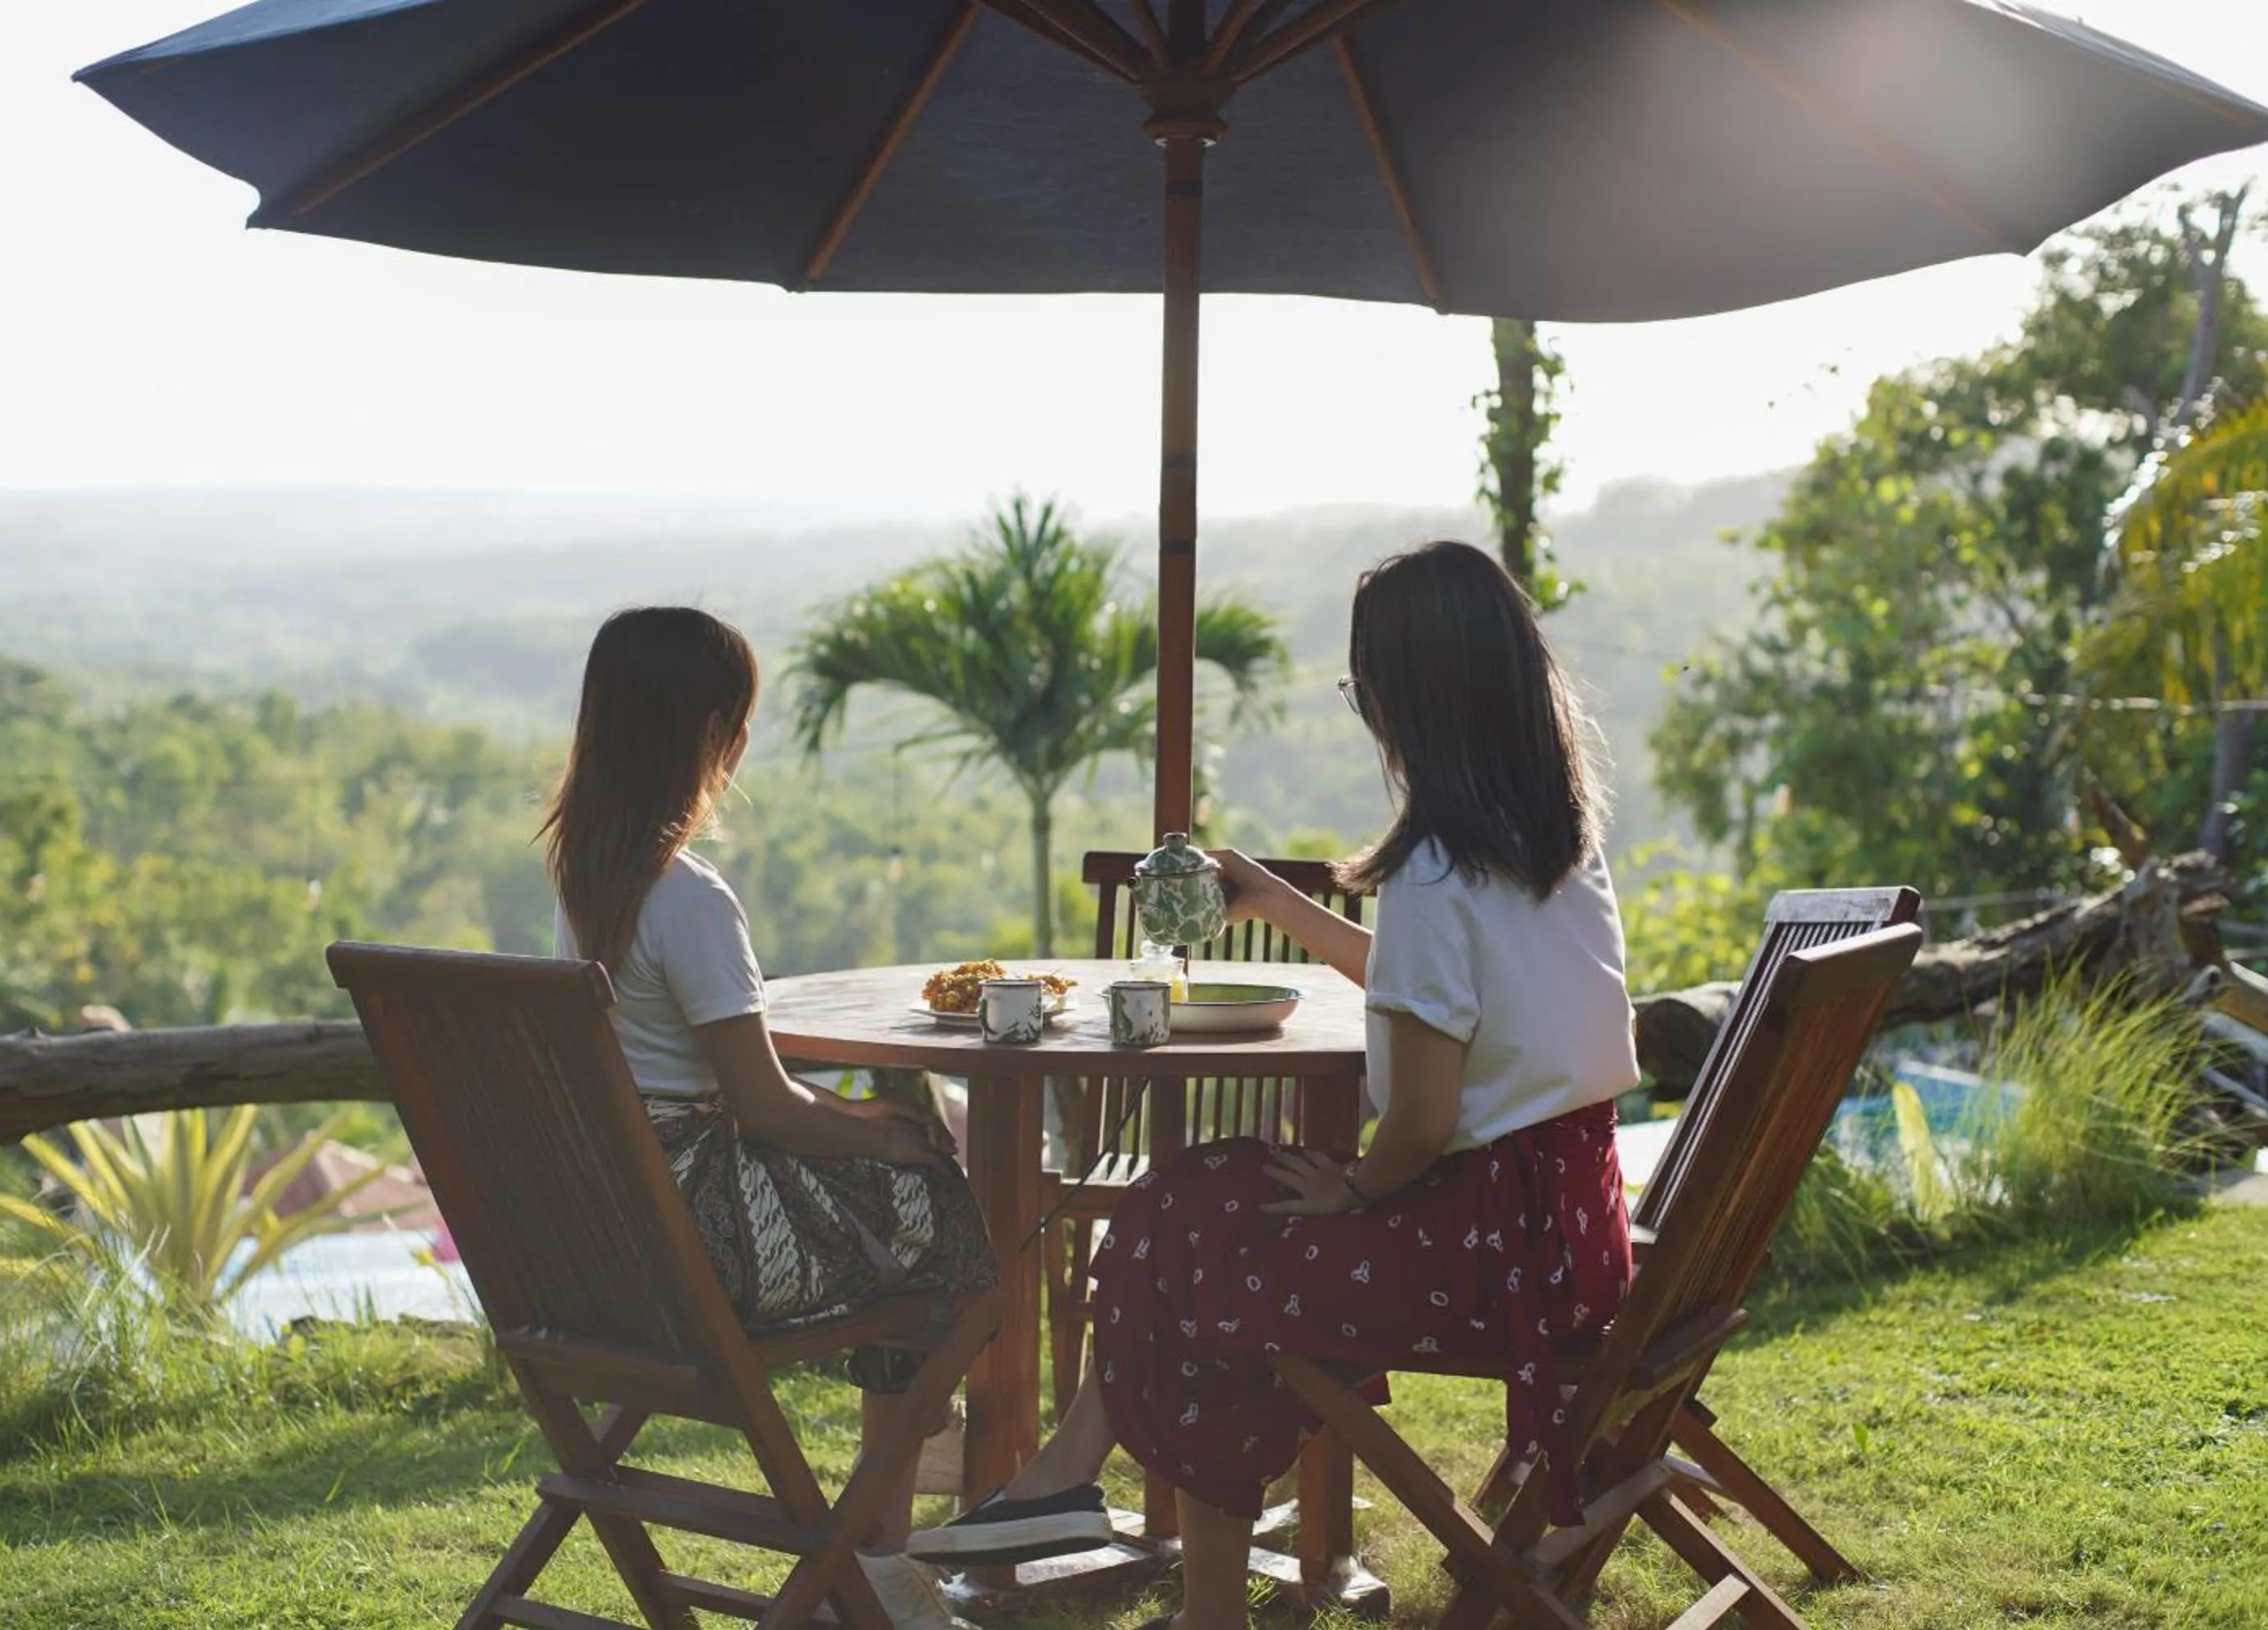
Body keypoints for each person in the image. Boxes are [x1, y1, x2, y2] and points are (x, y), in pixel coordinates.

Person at [908, 541, 1641, 1630]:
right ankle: (1079, 1495)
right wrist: (1278, 903)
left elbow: (1426, 1116)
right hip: (1567, 1230)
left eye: (1363, 690)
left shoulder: (1437, 871)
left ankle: (1116, 1529)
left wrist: (1354, 1188)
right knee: (1192, 1200)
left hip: (1490, 1252)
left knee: (1193, 1249)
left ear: (1407, 700)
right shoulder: (1551, 841)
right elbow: (1425, 987)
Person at [541, 606, 995, 1630]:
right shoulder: (690, 897)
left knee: (910, 1202)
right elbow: (762, 1106)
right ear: (713, 740)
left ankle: (891, 1519)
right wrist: (887, 1131)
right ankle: (876, 1553)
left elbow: (717, 1075)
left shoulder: (581, 874)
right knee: (945, 1228)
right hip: (705, 1237)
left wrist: (857, 1116)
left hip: (618, 1226)